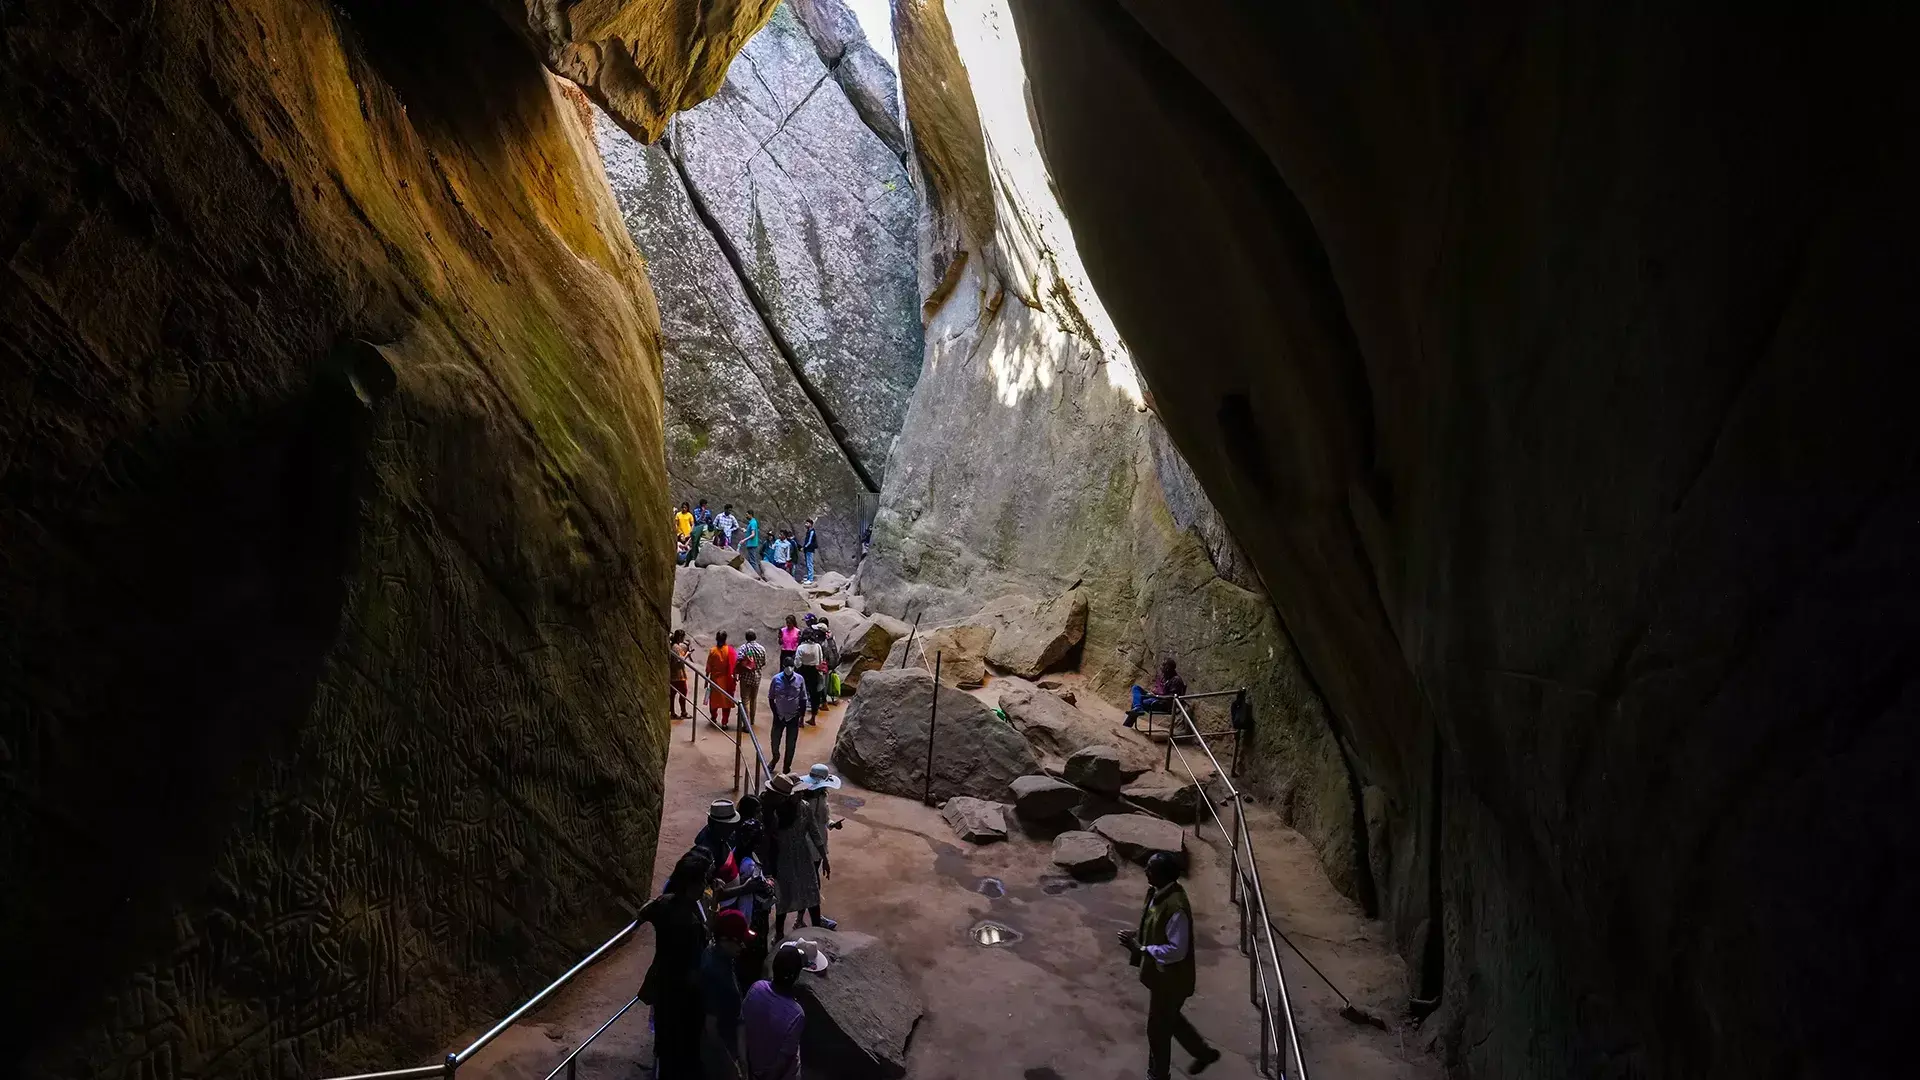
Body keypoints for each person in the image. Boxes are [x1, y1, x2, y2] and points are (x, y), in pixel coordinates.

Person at [1118, 852, 1221, 1079]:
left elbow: (1176, 950)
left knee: (1157, 1030)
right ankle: (1203, 1053)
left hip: (1172, 980)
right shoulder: (1158, 894)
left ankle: (1157, 1075)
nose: (1145, 871)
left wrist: (1141, 949)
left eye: (1149, 868)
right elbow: (1157, 927)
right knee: (1170, 1019)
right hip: (1162, 977)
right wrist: (1138, 935)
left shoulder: (1176, 908)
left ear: (1162, 875)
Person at [639, 849, 714, 1080]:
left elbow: (643, 912)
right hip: (683, 999)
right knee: (684, 1053)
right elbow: (693, 972)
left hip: (663, 988)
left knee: (665, 1047)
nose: (704, 885)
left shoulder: (665, 903)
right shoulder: (691, 924)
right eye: (702, 880)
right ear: (691, 884)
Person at [767, 774, 831, 935]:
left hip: (803, 855)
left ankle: (817, 930)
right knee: (783, 895)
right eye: (798, 792)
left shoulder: (804, 807)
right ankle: (779, 934)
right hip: (783, 857)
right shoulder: (776, 813)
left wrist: (824, 857)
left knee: (811, 892)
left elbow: (815, 832)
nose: (801, 794)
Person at [742, 942, 807, 1080]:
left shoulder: (756, 987)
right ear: (796, 976)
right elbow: (782, 1060)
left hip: (749, 1061)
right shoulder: (797, 1014)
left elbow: (742, 1025)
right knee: (796, 1059)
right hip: (767, 1073)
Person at [700, 907, 752, 1074]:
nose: (743, 945)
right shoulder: (715, 972)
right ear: (725, 939)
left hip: (731, 1039)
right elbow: (711, 1029)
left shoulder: (720, 955)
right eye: (739, 940)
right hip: (720, 1053)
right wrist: (730, 1066)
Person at [796, 764, 843, 925]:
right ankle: (813, 919)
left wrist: (832, 824)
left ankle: (801, 919)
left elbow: (824, 818)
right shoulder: (803, 802)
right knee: (812, 883)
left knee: (811, 882)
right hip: (809, 844)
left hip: (820, 842)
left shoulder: (822, 796)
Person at [766, 656, 809, 773]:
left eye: (791, 667)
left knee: (791, 745)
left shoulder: (800, 679)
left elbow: (803, 699)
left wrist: (801, 716)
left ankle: (786, 767)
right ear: (783, 667)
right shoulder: (776, 679)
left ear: (793, 667)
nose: (789, 669)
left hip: (793, 716)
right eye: (787, 667)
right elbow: (771, 698)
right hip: (779, 716)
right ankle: (775, 758)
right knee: (774, 741)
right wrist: (775, 713)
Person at [1124, 658, 1188, 729]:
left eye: (1163, 665)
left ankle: (1128, 724)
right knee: (1136, 688)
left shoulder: (1176, 680)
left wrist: (1156, 696)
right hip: (1155, 697)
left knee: (1139, 702)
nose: (1161, 667)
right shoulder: (1165, 677)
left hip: (1163, 703)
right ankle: (1138, 708)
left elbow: (1172, 697)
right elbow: (1159, 689)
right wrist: (1154, 692)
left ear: (1167, 668)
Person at [706, 631, 739, 728]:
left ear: (716, 639)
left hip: (715, 680)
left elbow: (708, 667)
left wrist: (706, 679)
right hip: (727, 681)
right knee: (726, 703)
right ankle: (724, 722)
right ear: (725, 639)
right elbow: (734, 666)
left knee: (714, 701)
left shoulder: (712, 651)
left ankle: (713, 717)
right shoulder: (730, 651)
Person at [794, 629, 825, 726]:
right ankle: (813, 718)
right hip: (814, 671)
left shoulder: (801, 647)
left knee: (802, 695)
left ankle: (801, 718)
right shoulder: (818, 646)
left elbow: (797, 663)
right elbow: (820, 660)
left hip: (803, 671)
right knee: (814, 694)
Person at [736, 629, 767, 726]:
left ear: (746, 638)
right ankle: (752, 721)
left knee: (745, 700)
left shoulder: (743, 648)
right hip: (757, 677)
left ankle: (746, 723)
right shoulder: (762, 648)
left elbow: (738, 661)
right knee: (753, 699)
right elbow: (764, 662)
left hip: (745, 677)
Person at [669, 629, 693, 719]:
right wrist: (687, 654)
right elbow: (680, 660)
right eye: (683, 637)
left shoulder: (673, 646)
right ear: (679, 637)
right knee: (683, 692)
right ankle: (683, 711)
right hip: (679, 675)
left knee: (672, 694)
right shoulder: (676, 647)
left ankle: (672, 712)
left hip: (673, 674)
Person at [742, 510, 764, 578]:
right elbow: (751, 531)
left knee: (753, 561)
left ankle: (756, 575)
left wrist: (744, 540)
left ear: (750, 514)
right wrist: (745, 530)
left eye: (747, 514)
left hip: (752, 544)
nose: (746, 516)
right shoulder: (751, 522)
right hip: (750, 544)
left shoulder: (753, 522)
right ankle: (754, 574)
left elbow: (753, 534)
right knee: (751, 559)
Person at [799, 519, 818, 584]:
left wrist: (804, 547)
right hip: (807, 550)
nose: (806, 524)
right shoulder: (808, 531)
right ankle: (808, 578)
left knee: (810, 564)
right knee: (807, 563)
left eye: (807, 523)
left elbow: (809, 542)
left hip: (810, 549)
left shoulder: (812, 532)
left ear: (811, 524)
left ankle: (811, 579)